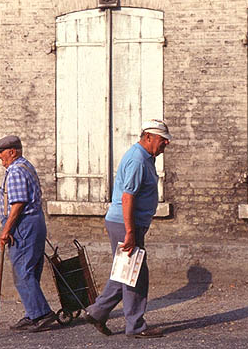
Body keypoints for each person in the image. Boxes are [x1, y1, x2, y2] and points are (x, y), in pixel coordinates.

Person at [84, 119, 172, 339]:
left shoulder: (145, 157)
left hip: (127, 223)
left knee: (127, 270)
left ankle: (97, 312)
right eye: (163, 140)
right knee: (135, 274)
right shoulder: (137, 160)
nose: (166, 145)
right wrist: (131, 232)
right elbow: (127, 197)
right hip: (125, 224)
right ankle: (135, 326)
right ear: (149, 137)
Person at [0, 135, 57, 332]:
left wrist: (6, 230)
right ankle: (33, 313)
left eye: (1, 153)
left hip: (23, 225)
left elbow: (18, 204)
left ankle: (42, 314)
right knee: (30, 271)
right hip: (32, 223)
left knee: (23, 272)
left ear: (12, 152)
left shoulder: (15, 171)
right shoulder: (25, 166)